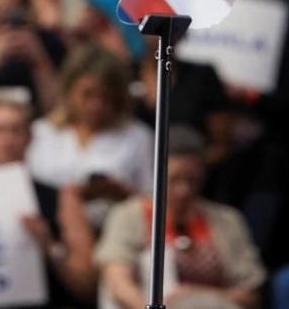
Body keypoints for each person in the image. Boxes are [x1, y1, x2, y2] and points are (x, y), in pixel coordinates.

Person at [97, 126, 265, 309]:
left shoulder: (227, 220)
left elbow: (249, 294)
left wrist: (196, 296)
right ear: (157, 175)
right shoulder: (128, 216)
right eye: (175, 179)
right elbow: (118, 283)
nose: (184, 190)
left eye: (192, 180)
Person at [0, 97, 98, 307]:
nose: (7, 140)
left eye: (15, 130)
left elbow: (87, 284)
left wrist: (49, 245)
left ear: (29, 138)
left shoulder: (60, 198)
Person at [26, 45, 153, 205]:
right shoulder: (41, 132)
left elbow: (151, 200)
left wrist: (122, 192)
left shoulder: (138, 137)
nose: (96, 105)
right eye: (87, 95)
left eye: (105, 96)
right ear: (69, 90)